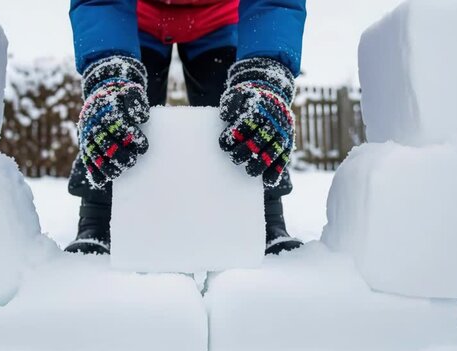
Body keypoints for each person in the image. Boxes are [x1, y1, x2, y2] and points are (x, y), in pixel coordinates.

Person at [65, 0, 307, 255]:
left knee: (245, 111)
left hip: (219, 17)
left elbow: (274, 3)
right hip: (136, 18)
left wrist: (265, 72)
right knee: (119, 110)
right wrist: (106, 72)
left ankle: (265, 215)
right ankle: (98, 215)